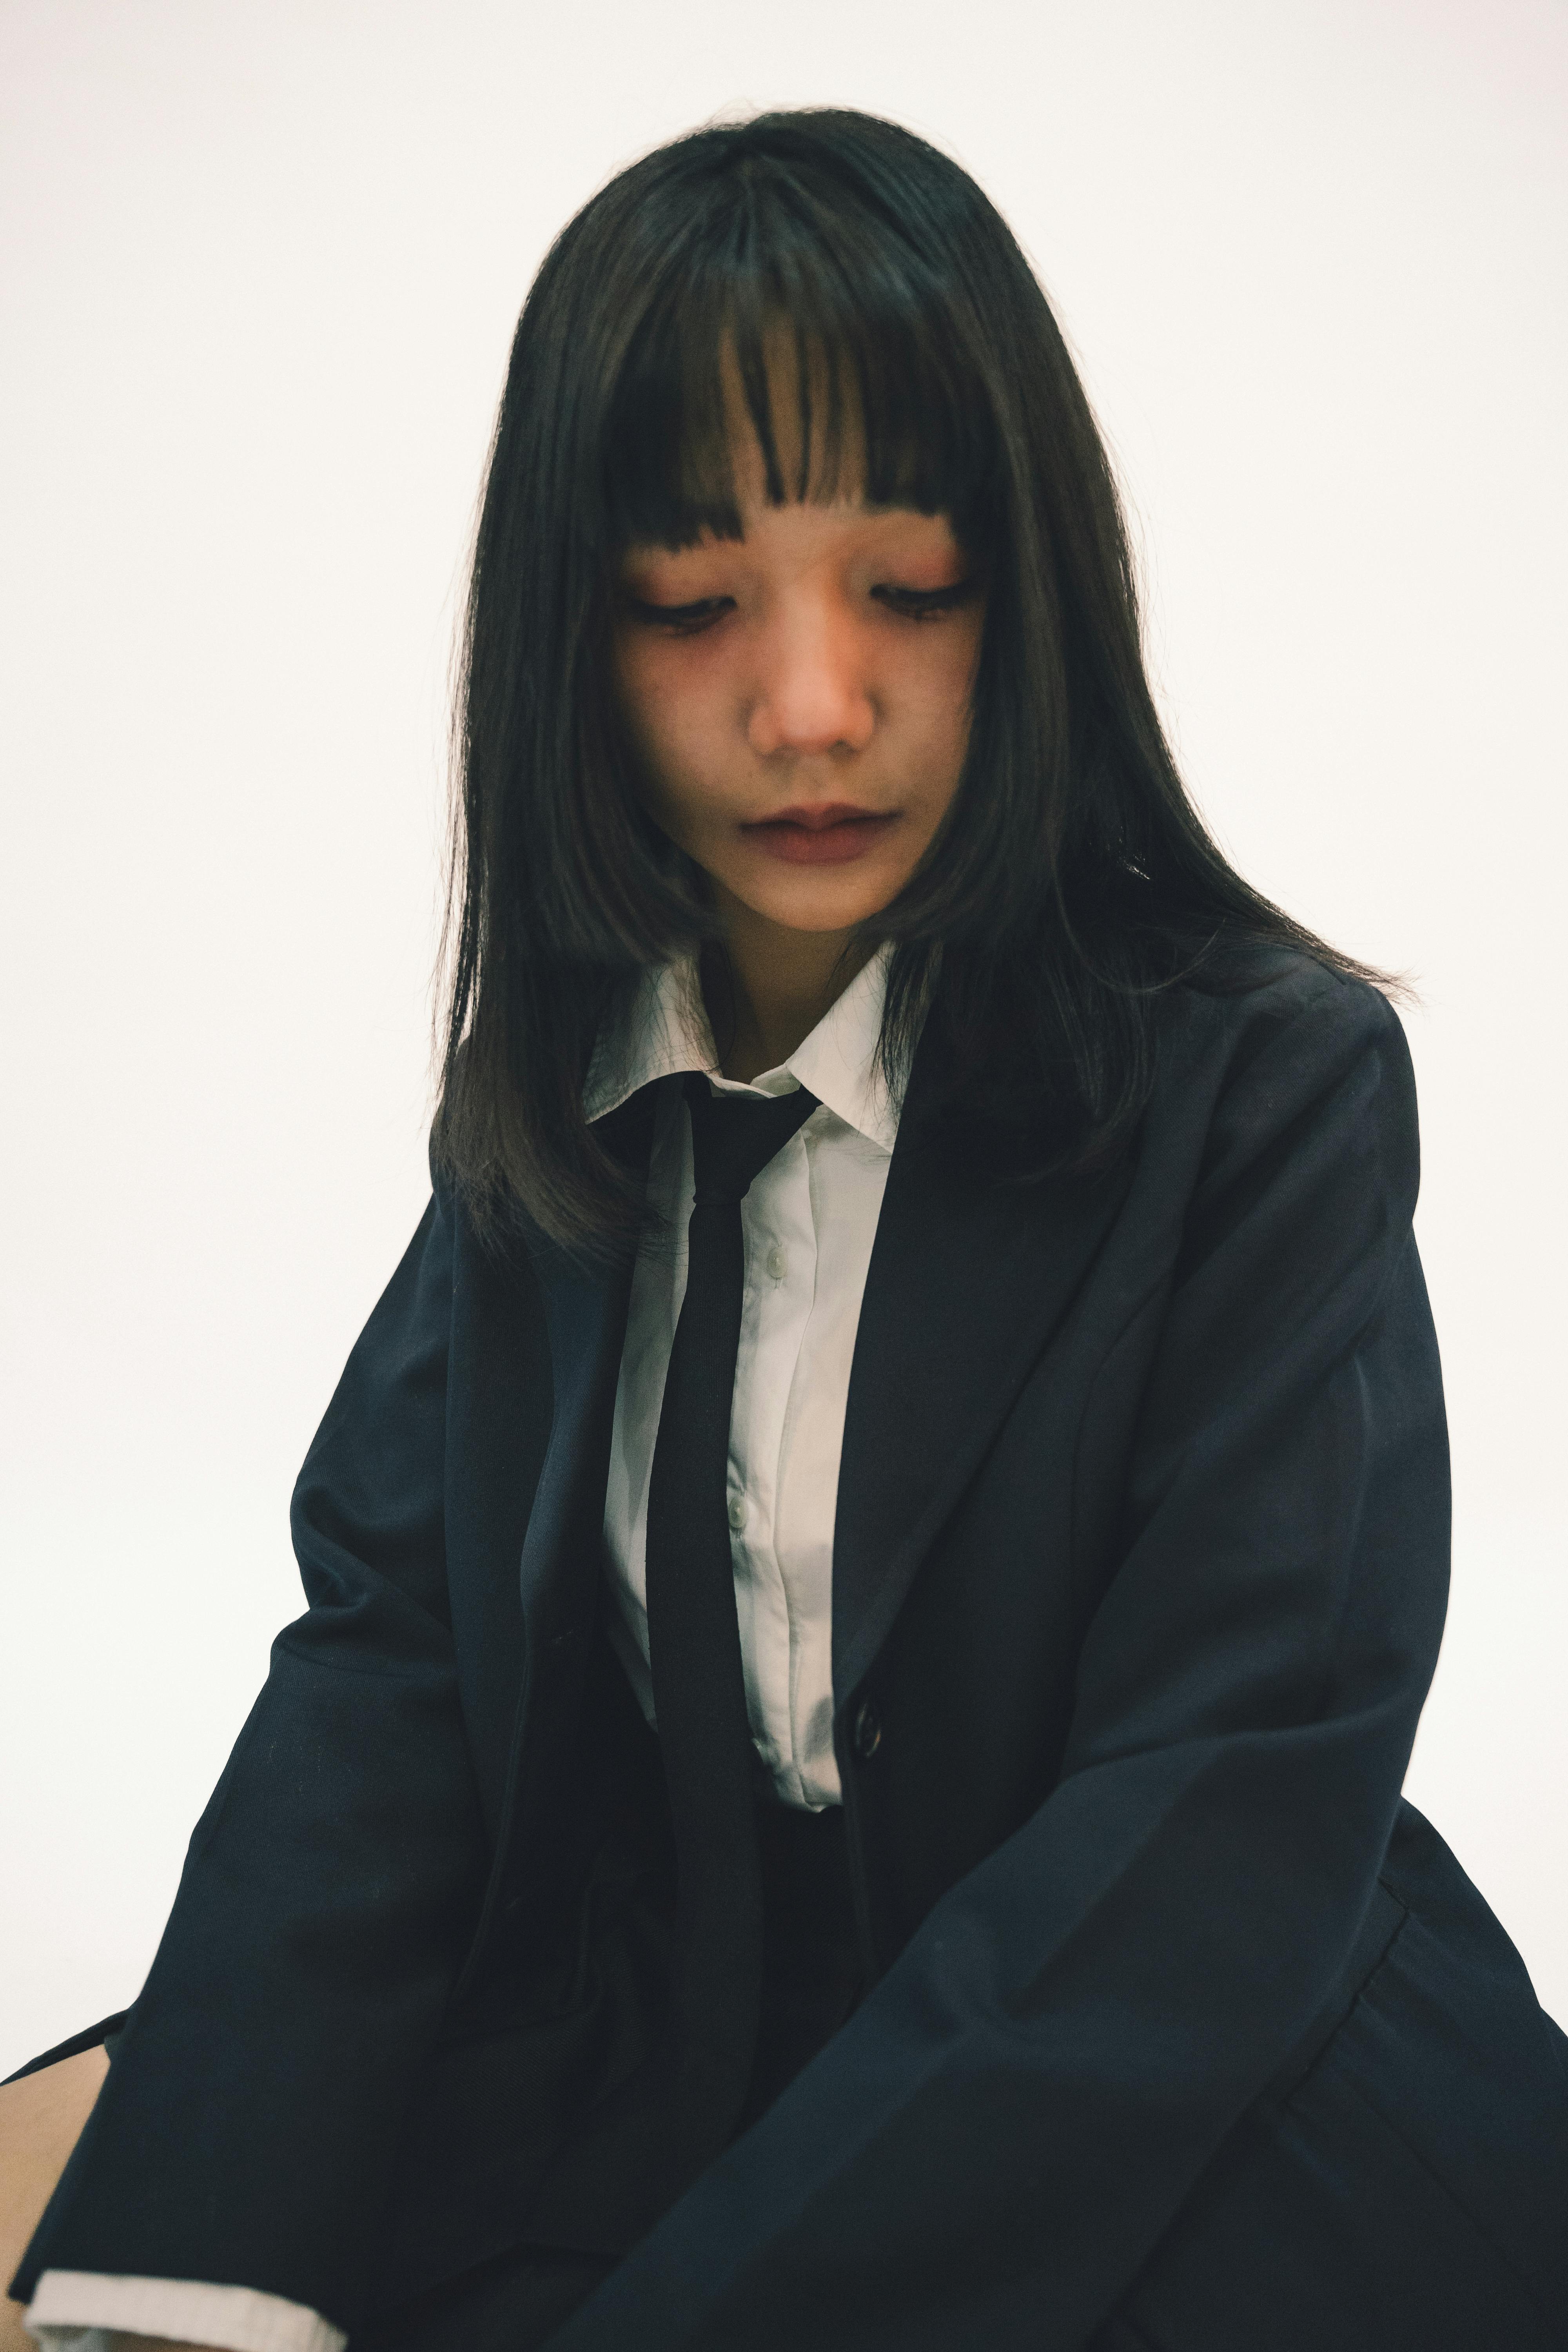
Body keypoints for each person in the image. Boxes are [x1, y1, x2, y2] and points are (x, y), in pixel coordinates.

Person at [3, 106, 1565, 2352]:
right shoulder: (566, 1092)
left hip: (1176, 2097)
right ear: (576, 639)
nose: (814, 707)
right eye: (694, 601)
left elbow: (1213, 1834)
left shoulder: (1263, 1090)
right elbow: (390, 1677)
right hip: (681, 2048)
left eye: (908, 588)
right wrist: (196, 2277)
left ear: (1024, 599)